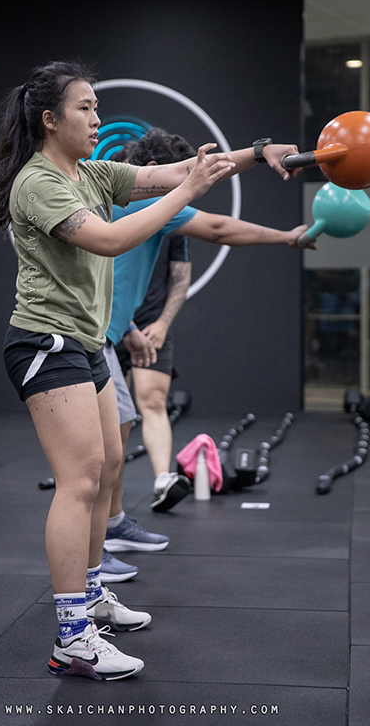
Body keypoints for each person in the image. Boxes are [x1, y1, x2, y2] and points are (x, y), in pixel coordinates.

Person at [0, 60, 301, 681]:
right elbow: (110, 240)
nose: (97, 119)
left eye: (98, 107)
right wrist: (187, 191)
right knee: (79, 481)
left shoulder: (93, 173)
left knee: (108, 470)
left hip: (86, 344)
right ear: (50, 119)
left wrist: (259, 153)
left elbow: (177, 171)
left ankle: (92, 593)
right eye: (85, 108)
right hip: (45, 343)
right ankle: (73, 635)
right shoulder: (38, 183)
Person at [100, 128, 314, 580]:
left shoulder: (135, 205)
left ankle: (112, 525)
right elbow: (219, 228)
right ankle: (90, 553)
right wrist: (286, 236)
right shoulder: (142, 200)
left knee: (120, 427)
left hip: (107, 333)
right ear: (155, 172)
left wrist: (130, 329)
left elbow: (112, 277)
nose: (188, 185)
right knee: (97, 455)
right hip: (87, 339)